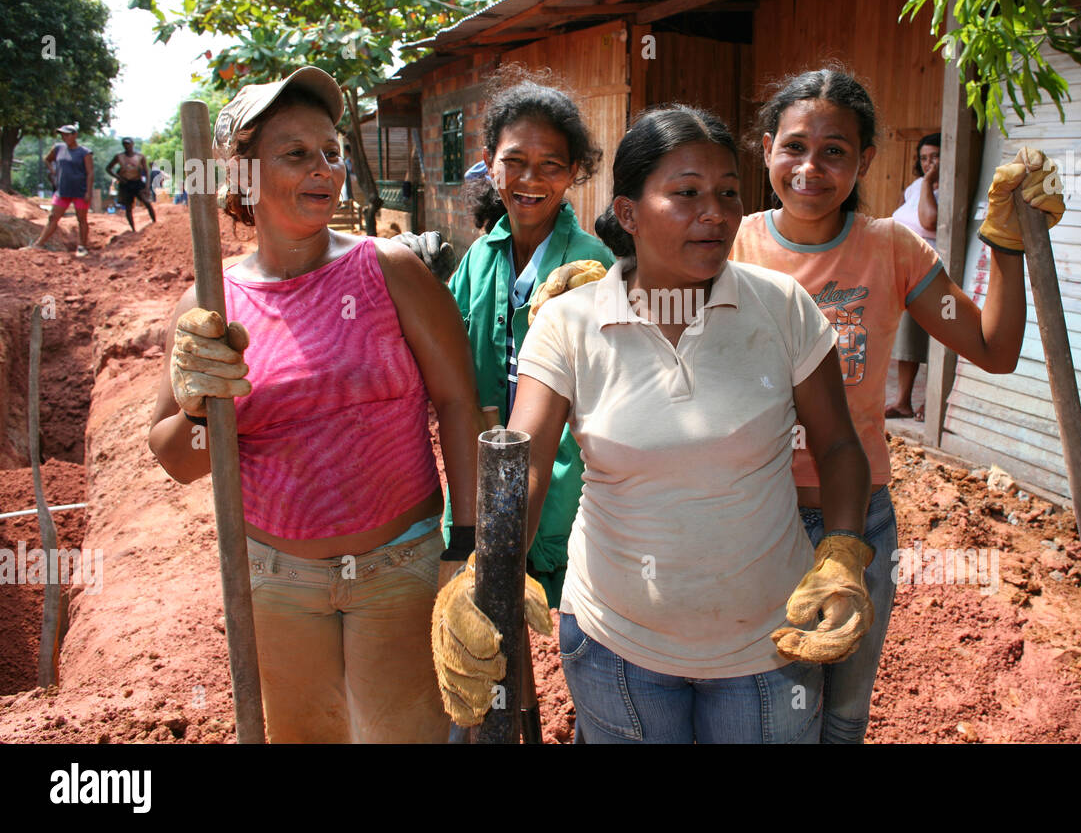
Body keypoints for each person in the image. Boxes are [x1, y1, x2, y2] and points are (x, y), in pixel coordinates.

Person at [432, 105, 874, 743]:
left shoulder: (781, 308)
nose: (716, 214)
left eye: (727, 192)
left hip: (768, 643)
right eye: (687, 193)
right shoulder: (569, 321)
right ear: (630, 213)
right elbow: (525, 462)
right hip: (615, 643)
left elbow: (837, 447)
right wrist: (489, 570)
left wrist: (842, 553)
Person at [146, 66, 484, 743]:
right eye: (296, 154)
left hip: (401, 570)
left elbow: (457, 402)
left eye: (330, 152)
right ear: (242, 177)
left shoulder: (390, 269)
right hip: (275, 582)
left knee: (408, 736)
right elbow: (179, 461)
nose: (325, 168)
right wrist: (195, 407)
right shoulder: (210, 304)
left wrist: (469, 547)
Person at [730, 67, 1065, 744]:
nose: (810, 168)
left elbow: (992, 349)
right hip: (752, 515)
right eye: (794, 146)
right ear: (766, 149)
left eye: (835, 151)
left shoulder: (892, 251)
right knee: (774, 716)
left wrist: (1006, 245)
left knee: (846, 713)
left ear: (866, 161)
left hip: (857, 520)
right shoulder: (732, 247)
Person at [440, 71, 614, 606]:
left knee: (572, 621)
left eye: (551, 165)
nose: (529, 179)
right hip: (482, 480)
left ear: (574, 173)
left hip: (567, 491)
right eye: (513, 161)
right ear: (490, 160)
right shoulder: (478, 259)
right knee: (492, 625)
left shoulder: (594, 264)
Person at [888, 132, 941, 420]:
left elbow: (929, 220)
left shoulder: (945, 187)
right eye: (923, 158)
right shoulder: (915, 187)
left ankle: (931, 404)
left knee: (936, 339)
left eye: (935, 157)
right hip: (904, 272)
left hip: (931, 273)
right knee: (907, 340)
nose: (928, 163)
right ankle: (902, 401)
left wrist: (931, 184)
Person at [33, 124, 92, 256]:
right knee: (53, 217)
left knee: (81, 219)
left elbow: (90, 173)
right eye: (62, 134)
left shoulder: (85, 153)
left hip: (80, 191)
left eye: (67, 134)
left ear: (75, 135)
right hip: (62, 190)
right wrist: (53, 171)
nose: (64, 137)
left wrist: (88, 191)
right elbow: (47, 160)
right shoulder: (58, 148)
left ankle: (82, 246)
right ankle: (38, 244)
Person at [107, 137, 156, 232]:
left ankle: (154, 222)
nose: (127, 146)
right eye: (125, 144)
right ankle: (133, 229)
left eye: (128, 144)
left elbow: (146, 171)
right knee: (128, 207)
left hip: (137, 182)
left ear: (132, 144)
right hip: (125, 184)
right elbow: (108, 168)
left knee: (147, 202)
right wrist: (118, 177)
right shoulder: (119, 157)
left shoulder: (140, 157)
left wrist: (147, 186)